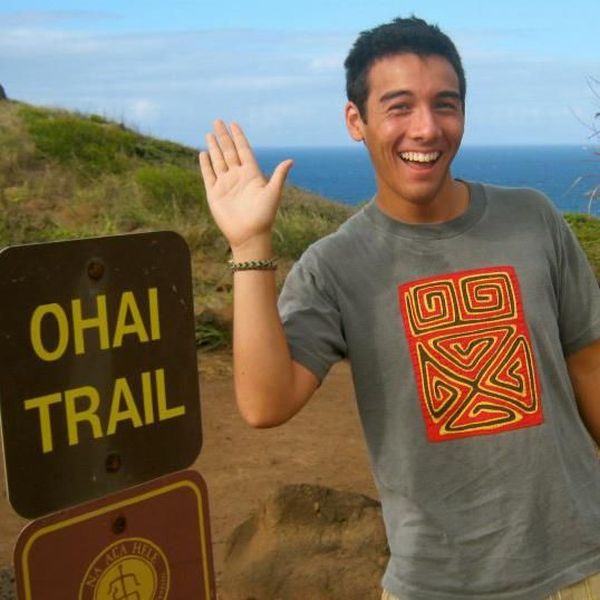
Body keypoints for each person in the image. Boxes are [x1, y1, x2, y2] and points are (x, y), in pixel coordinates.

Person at [199, 16, 600, 600]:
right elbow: (265, 403)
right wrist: (249, 246)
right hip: (436, 583)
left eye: (445, 105)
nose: (427, 128)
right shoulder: (335, 265)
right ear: (355, 121)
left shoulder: (533, 218)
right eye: (399, 107)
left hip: (583, 567)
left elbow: (589, 365)